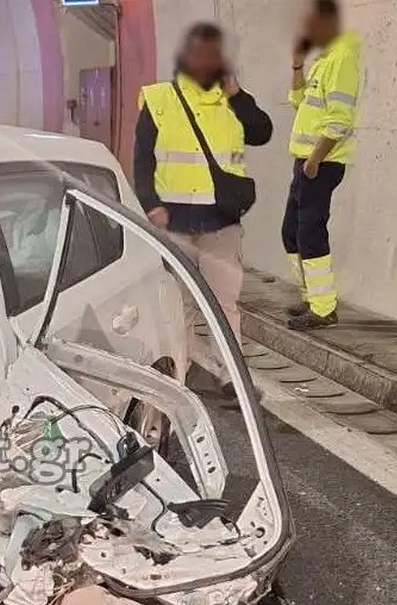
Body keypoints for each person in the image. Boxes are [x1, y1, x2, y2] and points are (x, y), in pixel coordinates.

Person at [134, 21, 272, 402]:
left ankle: (233, 379)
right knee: (180, 306)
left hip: (220, 222)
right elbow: (143, 160)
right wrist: (151, 205)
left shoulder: (232, 102)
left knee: (225, 305)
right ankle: (180, 376)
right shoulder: (160, 99)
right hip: (175, 223)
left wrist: (237, 93)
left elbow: (262, 132)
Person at [283, 0, 362, 330]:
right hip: (306, 160)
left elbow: (340, 119)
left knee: (310, 232)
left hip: (321, 162)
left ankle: (323, 308)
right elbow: (299, 102)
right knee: (291, 232)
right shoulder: (323, 60)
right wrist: (297, 66)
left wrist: (315, 160)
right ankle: (312, 297)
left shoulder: (342, 59)